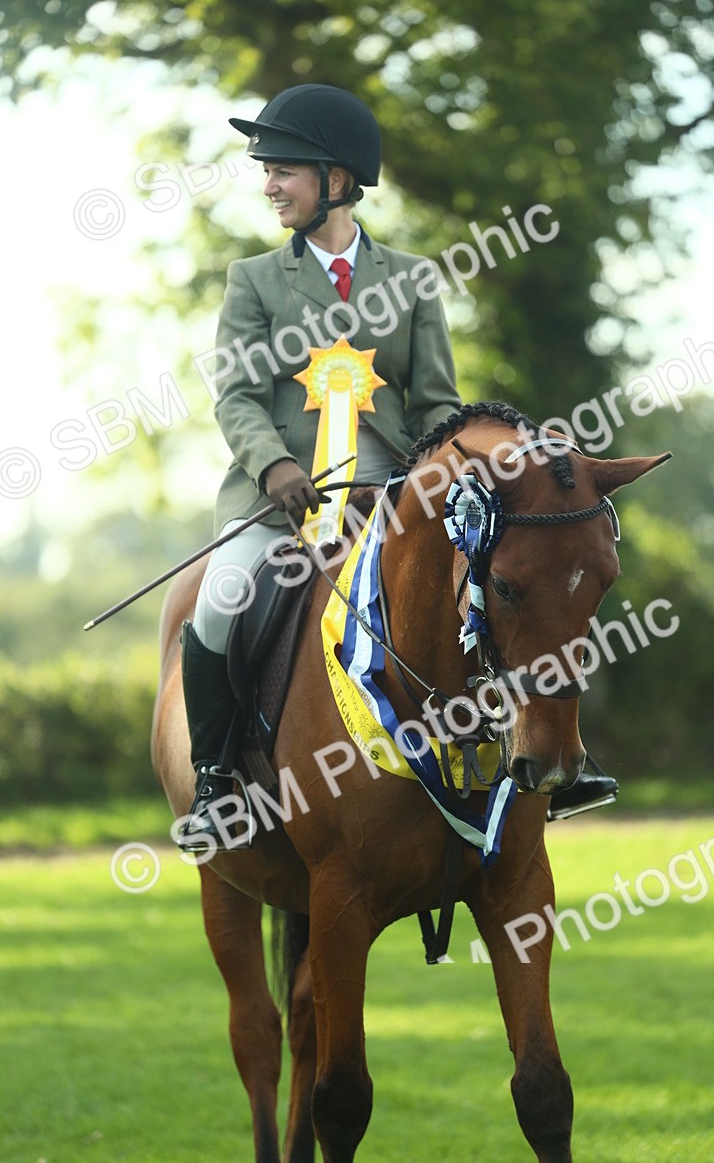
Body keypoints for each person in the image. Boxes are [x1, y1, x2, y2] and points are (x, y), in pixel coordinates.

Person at [177, 83, 617, 847]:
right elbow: (237, 395)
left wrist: (424, 485)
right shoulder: (253, 280)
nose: (269, 185)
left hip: (393, 501)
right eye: (267, 172)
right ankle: (216, 779)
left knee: (505, 586)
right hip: (282, 501)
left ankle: (545, 756)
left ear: (335, 180)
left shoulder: (412, 279)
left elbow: (438, 405)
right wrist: (274, 467)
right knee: (218, 597)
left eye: (282, 170)